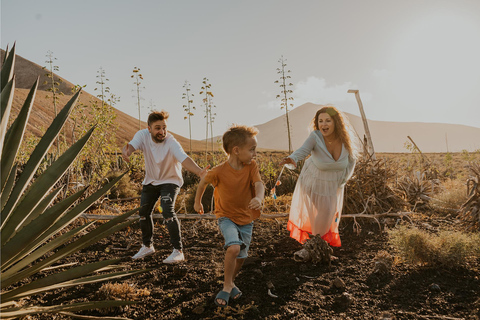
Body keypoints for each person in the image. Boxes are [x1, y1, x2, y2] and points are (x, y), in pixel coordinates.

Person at [122, 110, 208, 262]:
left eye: (164, 127)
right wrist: (126, 152)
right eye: (157, 128)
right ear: (149, 129)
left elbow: (184, 159)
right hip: (151, 180)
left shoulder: (171, 142)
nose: (162, 132)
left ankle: (178, 251)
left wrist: (200, 172)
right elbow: (131, 146)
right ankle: (147, 246)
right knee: (143, 212)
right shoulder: (142, 135)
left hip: (170, 180)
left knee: (167, 209)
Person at [194, 124, 264, 307]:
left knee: (241, 256)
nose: (255, 154)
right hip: (226, 217)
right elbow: (202, 183)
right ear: (236, 150)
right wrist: (197, 202)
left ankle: (231, 282)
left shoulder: (251, 167)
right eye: (252, 149)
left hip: (246, 219)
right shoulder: (219, 171)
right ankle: (226, 287)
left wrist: (259, 197)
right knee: (233, 248)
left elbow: (259, 185)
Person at [280, 106, 357, 247]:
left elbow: (352, 160)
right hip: (313, 180)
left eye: (328, 120)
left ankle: (317, 245)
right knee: (326, 211)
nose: (323, 124)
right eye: (320, 121)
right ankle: (317, 245)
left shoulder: (345, 140)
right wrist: (292, 158)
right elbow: (303, 151)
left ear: (336, 122)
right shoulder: (316, 136)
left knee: (327, 213)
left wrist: (343, 180)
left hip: (333, 183)